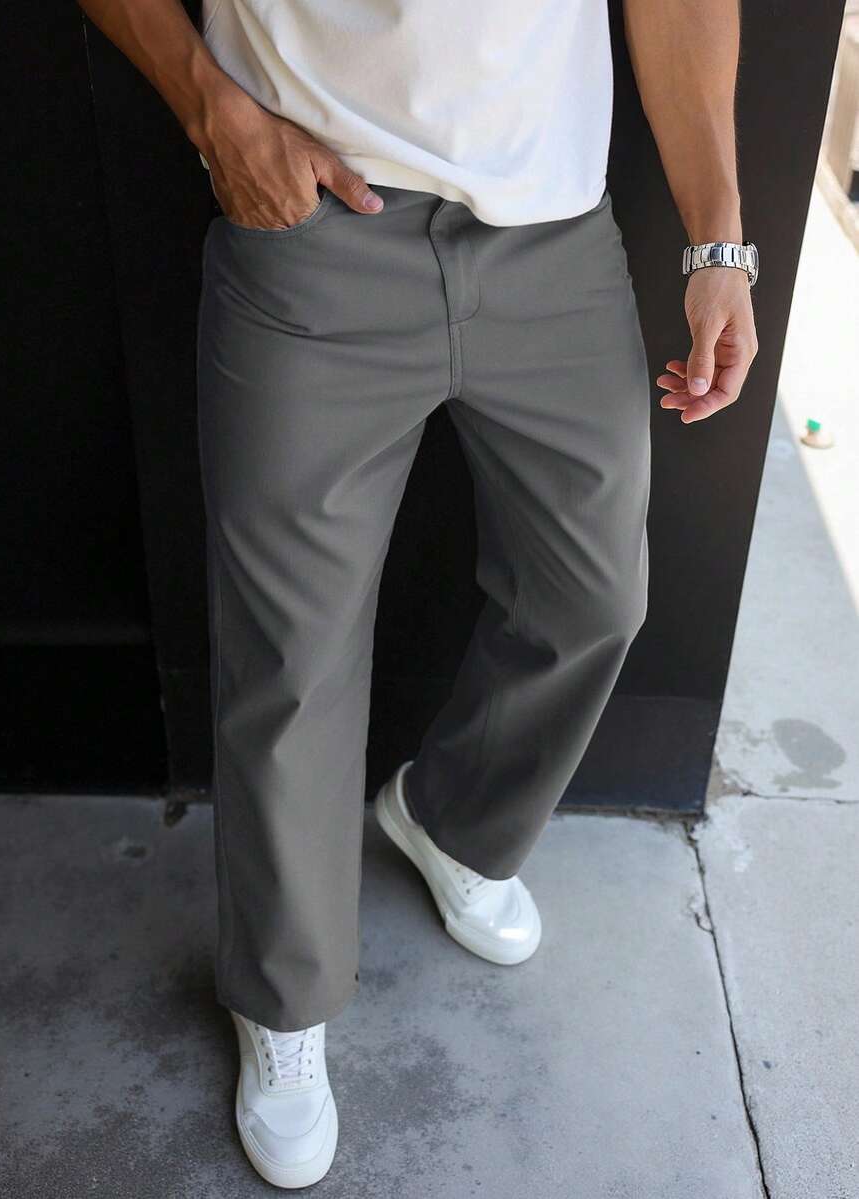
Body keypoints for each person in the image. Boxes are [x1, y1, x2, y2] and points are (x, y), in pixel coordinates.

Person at [76, 0, 759, 1187]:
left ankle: (453, 819)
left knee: (594, 592)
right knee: (291, 659)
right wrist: (210, 108)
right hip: (315, 222)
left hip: (552, 233)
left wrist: (717, 242)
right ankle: (283, 997)